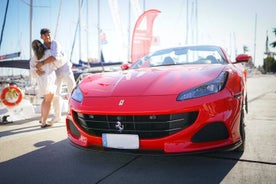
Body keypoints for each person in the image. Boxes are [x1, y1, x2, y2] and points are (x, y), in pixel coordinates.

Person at [36, 28, 76, 124]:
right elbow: (37, 59)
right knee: (55, 93)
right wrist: (37, 68)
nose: (48, 36)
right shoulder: (42, 48)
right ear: (41, 37)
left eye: (49, 34)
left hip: (64, 67)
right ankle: (57, 116)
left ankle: (75, 114)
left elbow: (54, 57)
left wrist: (42, 63)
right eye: (45, 35)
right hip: (54, 71)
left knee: (72, 89)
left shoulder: (55, 43)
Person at [30, 40, 56, 128]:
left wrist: (37, 71)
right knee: (48, 101)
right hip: (48, 79)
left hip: (41, 81)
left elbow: (32, 72)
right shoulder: (48, 53)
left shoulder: (34, 58)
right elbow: (55, 60)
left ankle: (42, 118)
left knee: (45, 100)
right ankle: (44, 122)